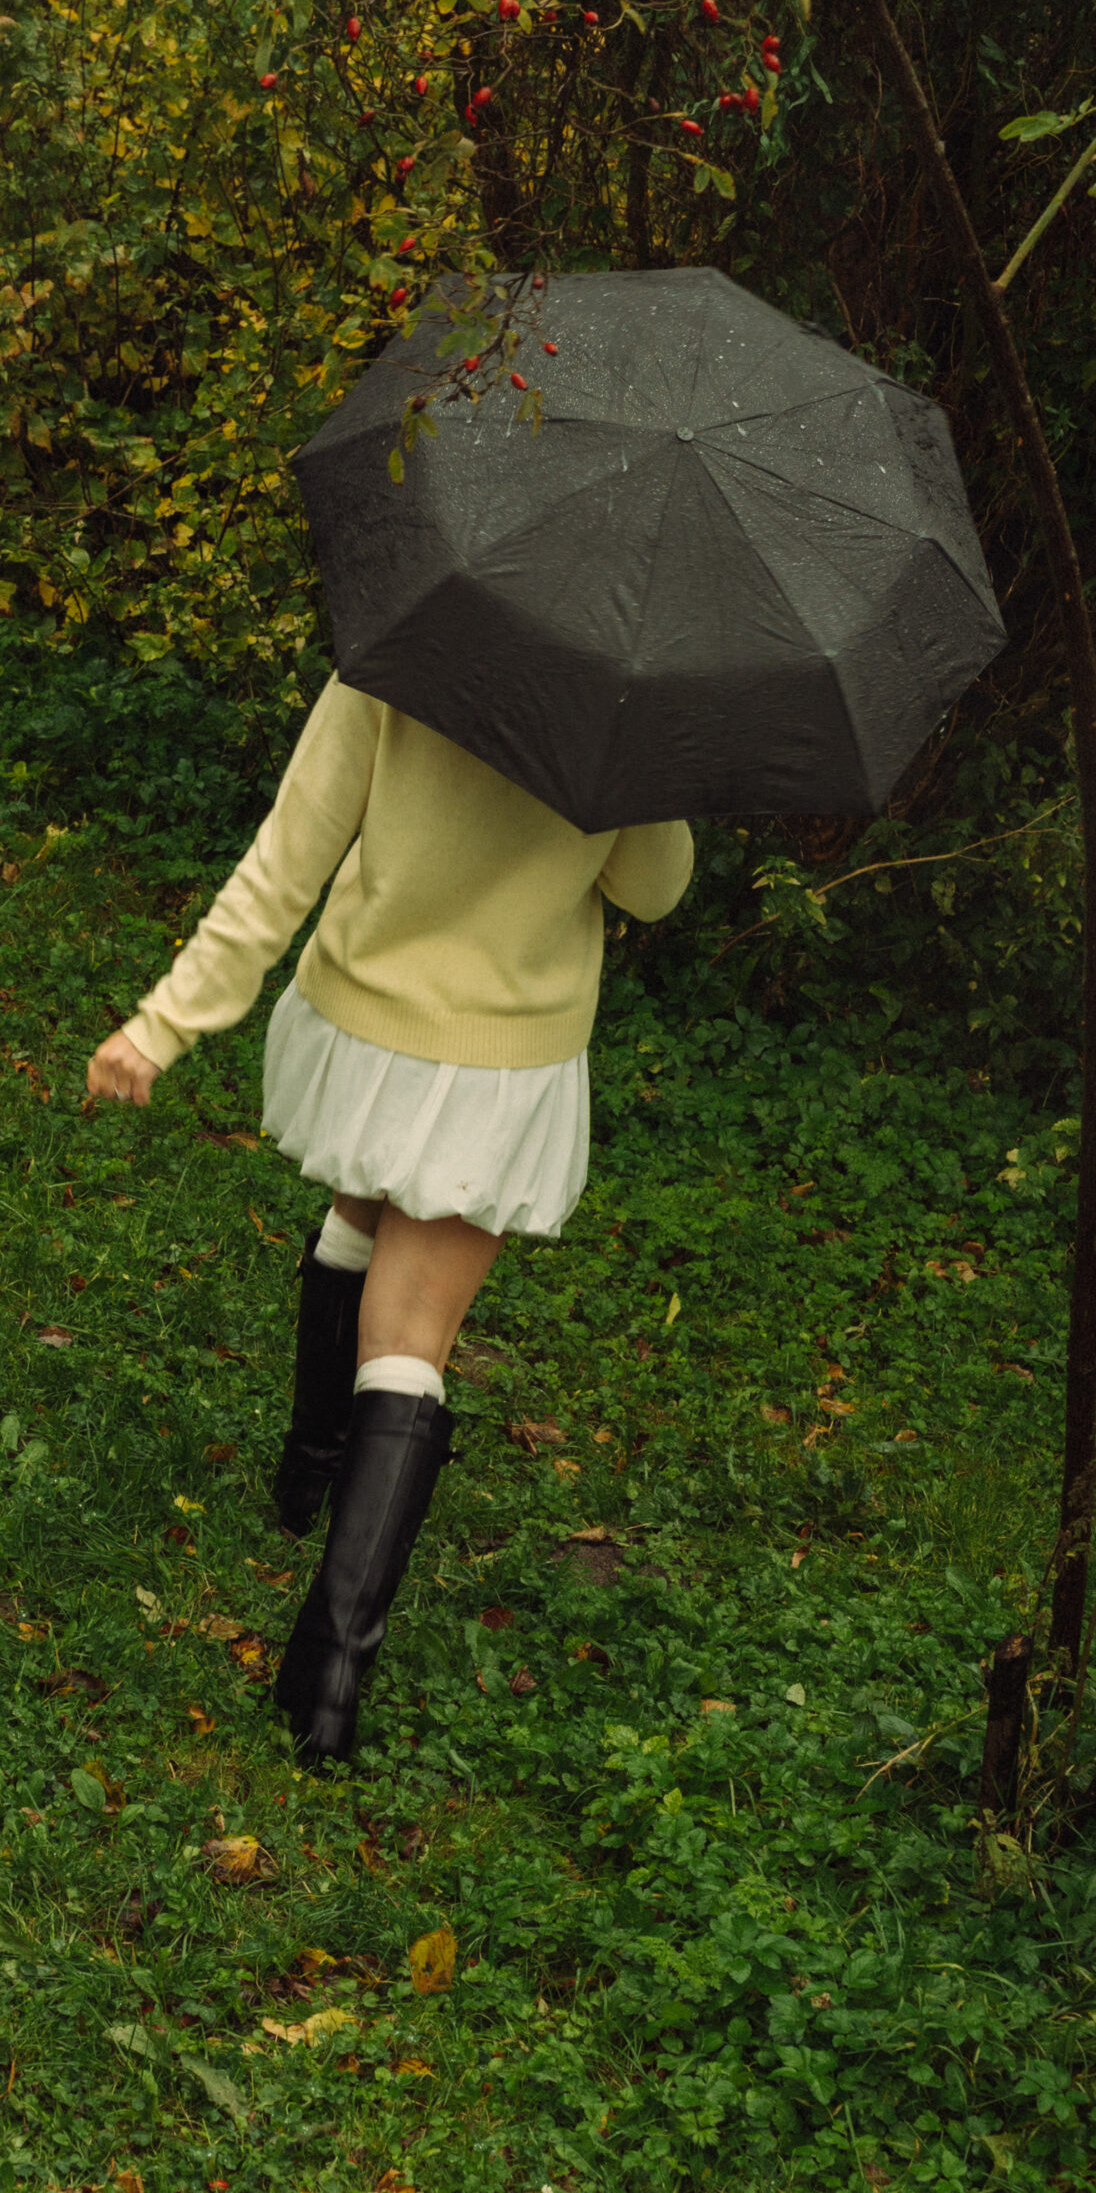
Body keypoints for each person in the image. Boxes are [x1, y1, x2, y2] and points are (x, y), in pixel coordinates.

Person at [86, 676, 692, 1765]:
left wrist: (163, 1023)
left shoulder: (404, 654)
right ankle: (326, 1681)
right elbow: (652, 888)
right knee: (410, 1337)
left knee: (360, 1213)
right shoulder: (618, 704)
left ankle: (307, 1467)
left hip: (362, 1023)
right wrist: (647, 763)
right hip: (499, 1058)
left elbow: (286, 858)